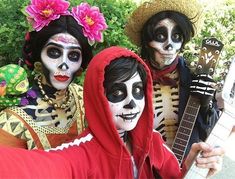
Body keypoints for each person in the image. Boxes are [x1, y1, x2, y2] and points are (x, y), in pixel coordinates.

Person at [0, 46, 223, 178]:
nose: (131, 103)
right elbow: (35, 168)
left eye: (137, 91)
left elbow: (173, 176)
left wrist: (193, 165)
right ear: (98, 98)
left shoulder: (152, 140)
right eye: (117, 93)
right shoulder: (81, 154)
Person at [0, 0, 107, 149]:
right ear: (38, 56)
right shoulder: (12, 120)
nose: (64, 64)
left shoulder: (85, 98)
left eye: (74, 55)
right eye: (54, 52)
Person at [125, 0, 219, 155]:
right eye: (160, 35)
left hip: (185, 166)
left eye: (176, 36)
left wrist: (206, 104)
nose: (169, 45)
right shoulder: (133, 78)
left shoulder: (194, 78)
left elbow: (208, 133)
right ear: (147, 41)